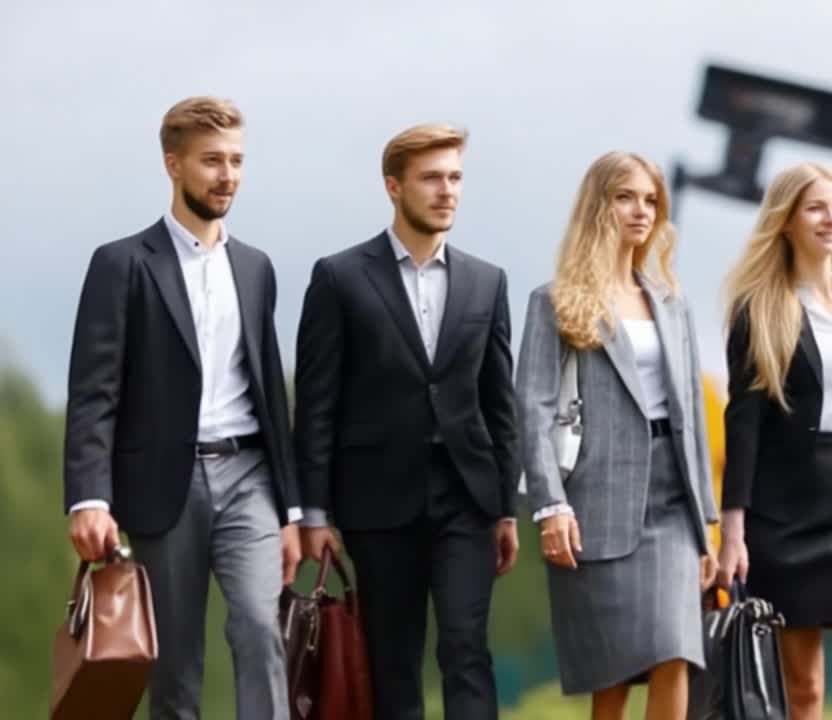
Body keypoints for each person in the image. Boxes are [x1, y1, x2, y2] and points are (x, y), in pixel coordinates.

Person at [63, 96, 301, 719]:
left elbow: (272, 396)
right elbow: (94, 390)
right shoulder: (120, 265)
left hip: (248, 475)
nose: (227, 176)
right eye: (211, 161)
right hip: (161, 485)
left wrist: (293, 507)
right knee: (174, 664)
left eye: (237, 161)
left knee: (259, 627)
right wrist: (90, 498)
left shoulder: (255, 268)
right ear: (173, 165)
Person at [293, 123, 520, 720]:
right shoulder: (339, 278)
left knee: (466, 647)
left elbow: (500, 404)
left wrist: (503, 507)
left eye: (454, 178)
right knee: (392, 662)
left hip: (466, 500)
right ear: (394, 186)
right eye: (431, 178)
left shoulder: (487, 282)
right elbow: (316, 404)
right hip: (376, 502)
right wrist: (313, 512)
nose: (447, 191)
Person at [516, 150, 719, 720]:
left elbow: (693, 422)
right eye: (625, 197)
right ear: (598, 206)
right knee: (614, 676)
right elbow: (529, 409)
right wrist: (549, 504)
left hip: (673, 500)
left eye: (651, 199)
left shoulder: (672, 304)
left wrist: (708, 521)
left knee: (676, 653)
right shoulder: (553, 302)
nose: (641, 210)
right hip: (595, 500)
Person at [716, 163, 832, 720]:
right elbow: (743, 421)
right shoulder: (759, 308)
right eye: (817, 208)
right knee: (802, 690)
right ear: (787, 220)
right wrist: (734, 529)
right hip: (783, 512)